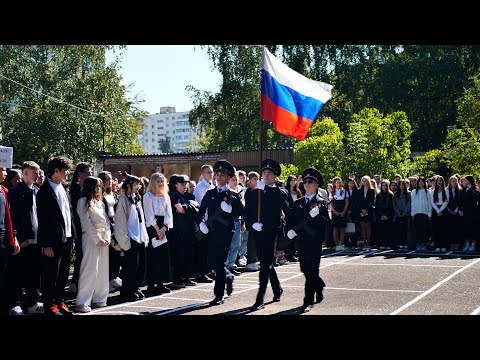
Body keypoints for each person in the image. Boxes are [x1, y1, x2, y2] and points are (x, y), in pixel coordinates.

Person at [244, 159, 289, 311]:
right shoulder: (252, 193)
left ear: (275, 177)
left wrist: (267, 190)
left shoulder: (278, 191)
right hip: (257, 232)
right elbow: (247, 214)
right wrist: (252, 225)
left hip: (271, 232)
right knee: (265, 261)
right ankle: (277, 288)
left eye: (270, 173)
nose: (266, 175)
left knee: (264, 265)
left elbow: (283, 201)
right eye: (264, 173)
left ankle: (260, 298)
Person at [197, 160, 243, 305]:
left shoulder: (233, 195)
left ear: (228, 177)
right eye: (217, 174)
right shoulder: (210, 193)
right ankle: (228, 276)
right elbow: (200, 212)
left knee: (220, 260)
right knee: (212, 261)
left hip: (225, 232)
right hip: (211, 231)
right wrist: (201, 224)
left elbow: (241, 212)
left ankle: (219, 295)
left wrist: (231, 211)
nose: (218, 176)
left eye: (222, 174)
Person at [37, 157, 76, 315]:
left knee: (63, 273)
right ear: (56, 171)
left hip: (66, 238)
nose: (67, 173)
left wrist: (72, 235)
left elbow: (69, 214)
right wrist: (46, 244)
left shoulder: (64, 188)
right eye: (65, 170)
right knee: (50, 274)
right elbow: (43, 220)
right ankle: (49, 304)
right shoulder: (44, 191)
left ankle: (60, 301)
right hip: (52, 241)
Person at [286, 167, 328, 313]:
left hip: (314, 242)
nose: (307, 184)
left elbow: (325, 225)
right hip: (301, 242)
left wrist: (316, 218)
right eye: (305, 182)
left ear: (317, 185)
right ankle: (319, 284)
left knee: (312, 269)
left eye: (310, 181)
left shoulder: (321, 203)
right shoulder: (297, 203)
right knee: (305, 269)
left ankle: (307, 301)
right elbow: (290, 221)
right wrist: (289, 231)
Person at [7, 161, 43, 315]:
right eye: (34, 173)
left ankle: (32, 301)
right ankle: (16, 303)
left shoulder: (36, 191)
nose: (37, 176)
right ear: (25, 173)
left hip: (36, 238)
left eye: (38, 173)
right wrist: (20, 237)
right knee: (19, 272)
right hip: (24, 240)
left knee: (34, 272)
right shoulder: (16, 191)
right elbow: (14, 216)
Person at [75, 177, 111, 313]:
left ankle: (99, 298)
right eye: (96, 186)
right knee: (90, 268)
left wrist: (107, 237)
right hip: (90, 238)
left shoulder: (100, 202)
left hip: (103, 237)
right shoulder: (83, 201)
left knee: (102, 269)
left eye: (100, 186)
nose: (98, 189)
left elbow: (106, 221)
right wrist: (97, 239)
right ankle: (83, 301)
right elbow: (85, 222)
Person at [115, 175, 149, 302]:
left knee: (141, 265)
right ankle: (127, 290)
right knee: (130, 267)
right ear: (129, 185)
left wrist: (144, 236)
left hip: (140, 237)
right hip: (130, 238)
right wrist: (124, 241)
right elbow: (120, 222)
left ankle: (135, 287)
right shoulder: (123, 200)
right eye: (136, 184)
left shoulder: (137, 198)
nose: (138, 187)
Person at [143, 173, 173, 295]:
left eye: (162, 181)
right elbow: (149, 215)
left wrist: (164, 228)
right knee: (152, 256)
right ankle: (151, 284)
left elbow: (169, 213)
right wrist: (157, 230)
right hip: (152, 227)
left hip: (163, 227)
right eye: (158, 181)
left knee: (163, 257)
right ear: (153, 182)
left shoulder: (166, 196)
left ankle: (160, 283)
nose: (160, 183)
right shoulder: (148, 196)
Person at [69, 162, 93, 293]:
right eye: (88, 172)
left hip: (85, 229)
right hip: (78, 229)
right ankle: (75, 282)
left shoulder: (85, 189)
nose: (90, 175)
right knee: (80, 256)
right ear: (80, 174)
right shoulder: (75, 190)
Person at [0, 166, 21, 315]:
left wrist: (13, 238)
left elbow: (8, 218)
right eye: (2, 169)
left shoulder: (3, 191)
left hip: (3, 240)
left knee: (5, 275)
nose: (6, 173)